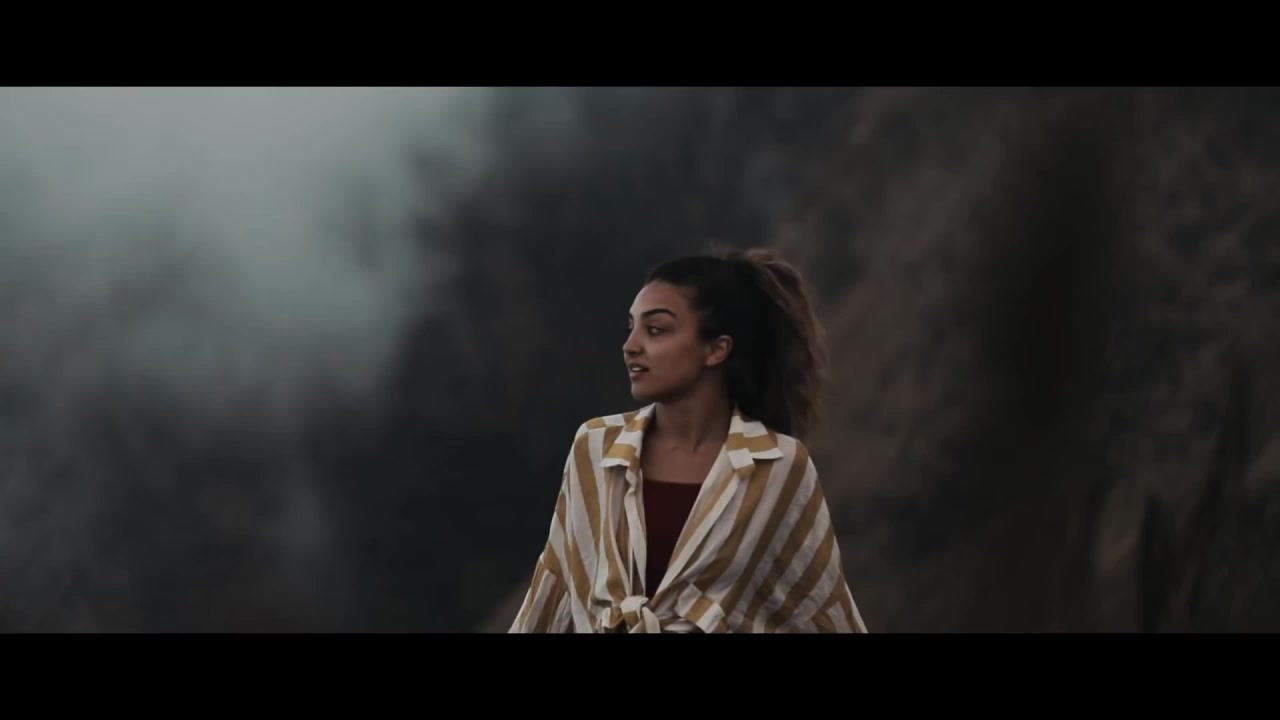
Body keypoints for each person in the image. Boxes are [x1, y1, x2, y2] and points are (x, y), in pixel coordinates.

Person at [509, 246, 867, 633]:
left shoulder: (778, 465)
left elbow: (820, 609)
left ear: (717, 349)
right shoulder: (595, 447)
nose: (630, 346)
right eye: (631, 327)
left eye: (655, 330)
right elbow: (554, 592)